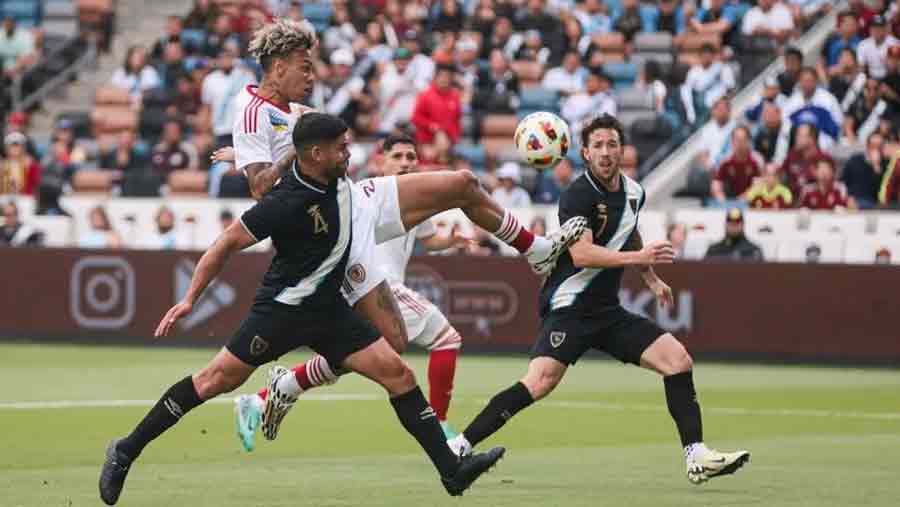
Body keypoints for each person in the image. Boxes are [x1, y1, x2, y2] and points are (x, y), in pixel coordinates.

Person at [98, 114, 505, 506]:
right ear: (315, 154)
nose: (349, 154)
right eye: (341, 148)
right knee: (212, 382)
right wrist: (190, 299)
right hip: (281, 312)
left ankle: (451, 470)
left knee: (398, 374)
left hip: (329, 310)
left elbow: (294, 134)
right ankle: (125, 450)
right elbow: (226, 243)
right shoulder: (286, 201)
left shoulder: (337, 179)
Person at [212, 16, 587, 441]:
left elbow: (331, 147)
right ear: (278, 66)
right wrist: (290, 152)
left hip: (356, 202)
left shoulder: (297, 110)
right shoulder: (252, 111)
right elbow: (262, 188)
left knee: (463, 183)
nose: (311, 74)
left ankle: (536, 249)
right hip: (331, 235)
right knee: (392, 342)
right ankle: (284, 388)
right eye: (304, 65)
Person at [446, 114, 750, 485]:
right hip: (570, 306)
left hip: (607, 311)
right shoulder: (577, 194)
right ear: (585, 153)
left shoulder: (635, 192)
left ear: (622, 150)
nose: (606, 152)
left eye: (612, 144)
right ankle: (460, 445)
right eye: (598, 146)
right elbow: (583, 255)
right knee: (539, 381)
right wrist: (639, 260)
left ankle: (696, 455)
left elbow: (628, 230)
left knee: (678, 361)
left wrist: (651, 278)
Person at [234, 135, 474, 450]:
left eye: (411, 157)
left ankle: (271, 393)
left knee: (354, 357)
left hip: (380, 288)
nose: (406, 163)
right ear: (380, 162)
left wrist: (451, 242)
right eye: (398, 156)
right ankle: (440, 427)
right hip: (374, 285)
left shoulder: (416, 198)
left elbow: (428, 239)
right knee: (446, 338)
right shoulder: (365, 194)